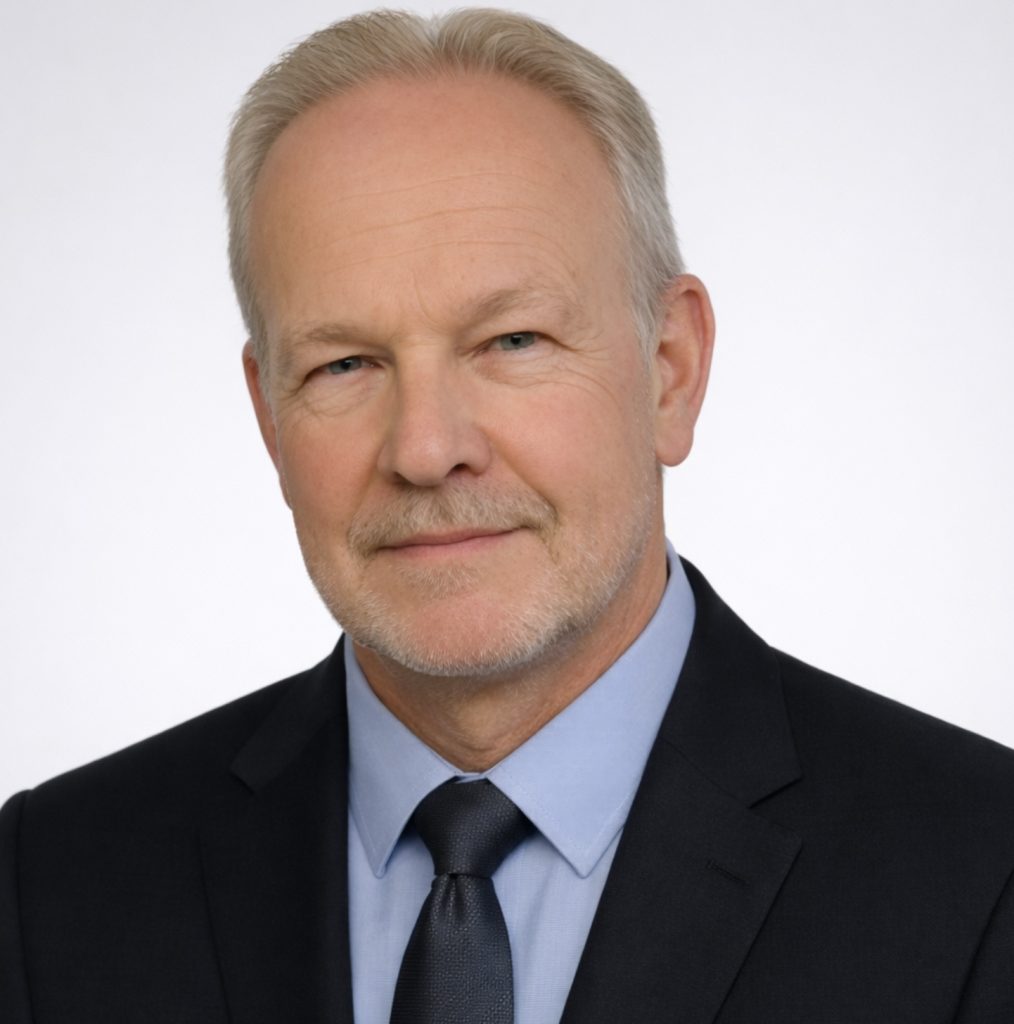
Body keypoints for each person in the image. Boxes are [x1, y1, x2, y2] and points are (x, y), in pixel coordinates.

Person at [1, 8, 1012, 1022]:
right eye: (344, 364)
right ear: (269, 414)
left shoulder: (981, 873)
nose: (425, 448)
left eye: (513, 341)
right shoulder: (50, 882)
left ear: (670, 370)